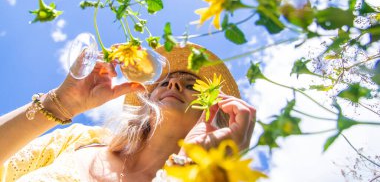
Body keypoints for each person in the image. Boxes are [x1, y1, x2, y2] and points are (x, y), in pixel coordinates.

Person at [0, 43, 256, 181]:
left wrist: (192, 163)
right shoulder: (80, 140)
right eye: (164, 82)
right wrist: (61, 104)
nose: (173, 84)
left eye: (192, 85)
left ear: (215, 110)